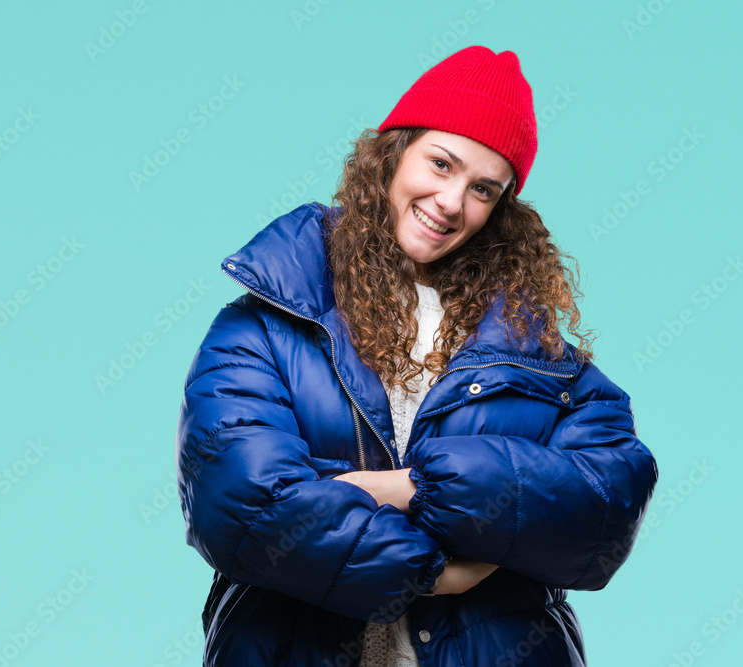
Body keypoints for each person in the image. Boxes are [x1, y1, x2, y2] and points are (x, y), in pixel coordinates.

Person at [175, 45, 658, 667]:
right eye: (440, 162)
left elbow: (608, 503)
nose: (452, 201)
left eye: (483, 188)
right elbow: (238, 499)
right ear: (393, 153)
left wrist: (406, 486)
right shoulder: (268, 322)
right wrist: (438, 567)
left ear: (501, 210)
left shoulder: (538, 356)